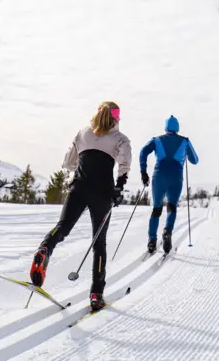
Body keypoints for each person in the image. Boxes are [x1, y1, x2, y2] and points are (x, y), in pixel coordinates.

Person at [29, 101, 132, 311]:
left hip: (79, 188)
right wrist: (120, 187)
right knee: (99, 243)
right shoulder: (120, 139)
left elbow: (68, 163)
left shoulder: (83, 133)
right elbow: (124, 163)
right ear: (116, 118)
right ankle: (96, 294)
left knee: (63, 227)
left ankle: (44, 250)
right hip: (102, 193)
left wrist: (85, 163)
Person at [139, 115, 199, 255]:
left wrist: (143, 171)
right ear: (177, 128)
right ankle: (167, 231)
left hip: (158, 177)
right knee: (172, 207)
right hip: (175, 178)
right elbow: (195, 160)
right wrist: (186, 154)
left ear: (166, 127)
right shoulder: (184, 141)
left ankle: (152, 240)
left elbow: (143, 152)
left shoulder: (156, 140)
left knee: (157, 208)